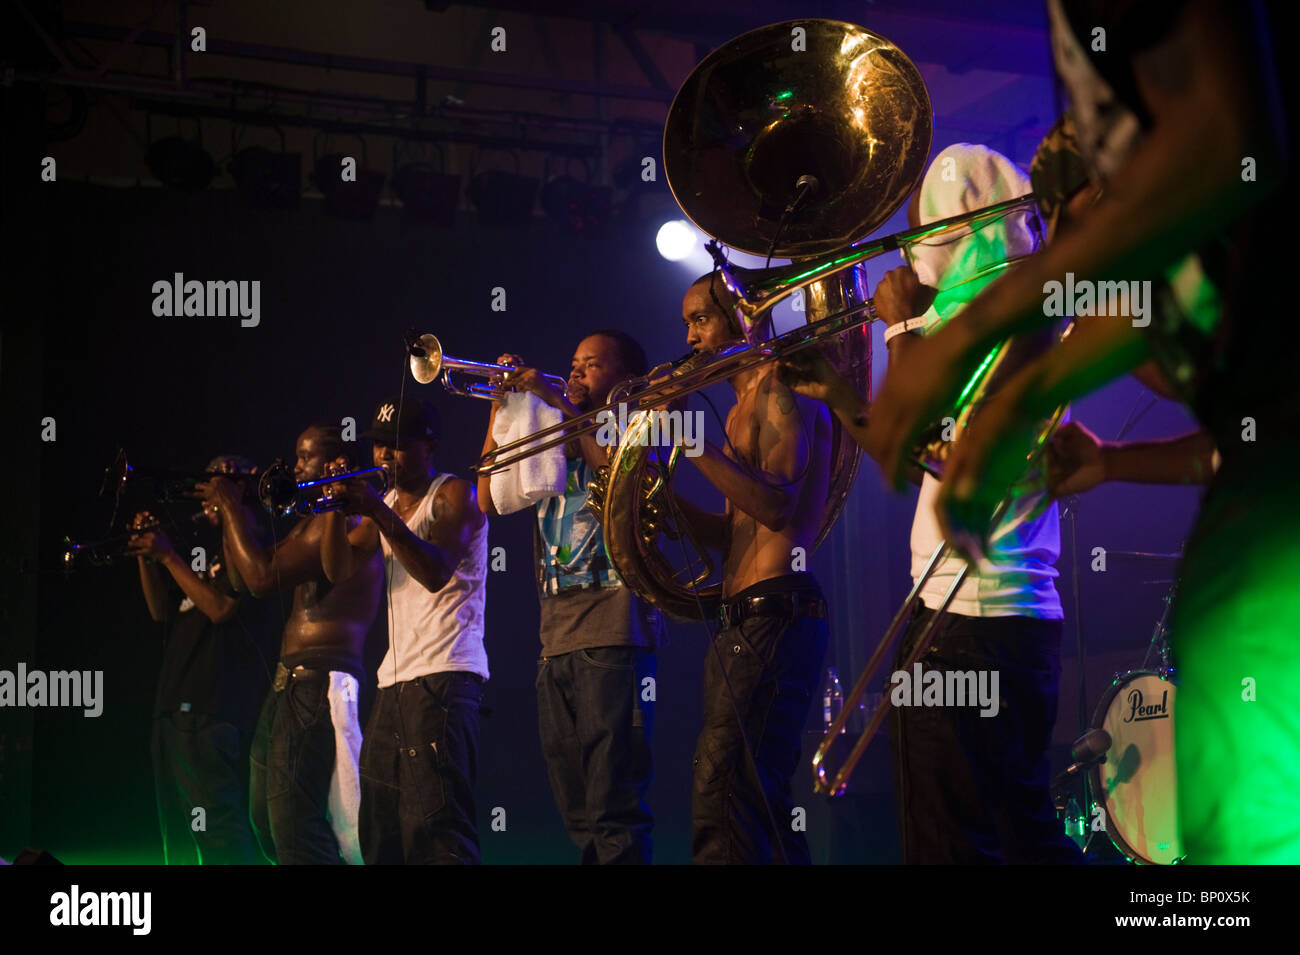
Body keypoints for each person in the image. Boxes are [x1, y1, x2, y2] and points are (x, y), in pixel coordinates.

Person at [866, 1, 1296, 863]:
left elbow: (1225, 142)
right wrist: (1080, 436)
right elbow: (1195, 386)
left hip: (1001, 612)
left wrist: (952, 340)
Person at [780, 144, 1083, 863]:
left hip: (973, 618)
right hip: (991, 619)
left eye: (923, 232)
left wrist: (904, 328)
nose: (910, 252)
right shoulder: (1004, 325)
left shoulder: (1008, 331)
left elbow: (943, 447)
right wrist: (843, 395)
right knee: (1015, 829)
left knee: (952, 839)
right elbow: (928, 467)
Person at [477, 330, 664, 864]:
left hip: (613, 629)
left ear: (624, 378)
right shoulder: (553, 430)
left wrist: (556, 397)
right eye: (573, 363)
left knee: (615, 804)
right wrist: (501, 410)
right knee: (577, 806)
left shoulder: (638, 424)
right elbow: (486, 496)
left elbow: (616, 470)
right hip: (555, 637)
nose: (577, 373)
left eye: (592, 364)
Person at [670, 271, 832, 864]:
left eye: (701, 319)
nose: (689, 336)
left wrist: (688, 440)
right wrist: (667, 511)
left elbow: (776, 505)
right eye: (686, 322)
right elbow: (735, 533)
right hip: (745, 618)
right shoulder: (740, 408)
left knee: (723, 791)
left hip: (777, 610)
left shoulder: (780, 388)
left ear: (744, 315)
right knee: (755, 799)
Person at [203, 426, 382, 865]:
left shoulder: (348, 524)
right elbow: (245, 577)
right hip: (290, 684)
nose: (295, 467)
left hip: (318, 682)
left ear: (333, 463)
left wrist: (230, 504)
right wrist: (235, 513)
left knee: (295, 822)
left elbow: (262, 579)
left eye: (305, 457)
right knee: (265, 818)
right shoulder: (311, 523)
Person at [321, 397, 489, 865]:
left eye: (396, 446)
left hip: (446, 676)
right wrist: (336, 506)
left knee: (438, 827)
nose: (383, 457)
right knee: (381, 827)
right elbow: (338, 570)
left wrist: (376, 510)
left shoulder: (454, 493)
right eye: (377, 447)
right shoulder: (388, 504)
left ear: (429, 446)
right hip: (395, 683)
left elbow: (434, 572)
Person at [129, 454, 276, 865]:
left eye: (222, 478)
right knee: (175, 836)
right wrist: (148, 554)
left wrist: (168, 556)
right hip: (173, 710)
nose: (208, 494)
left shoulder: (253, 546)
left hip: (210, 711)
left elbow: (220, 608)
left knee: (219, 835)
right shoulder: (207, 555)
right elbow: (161, 611)